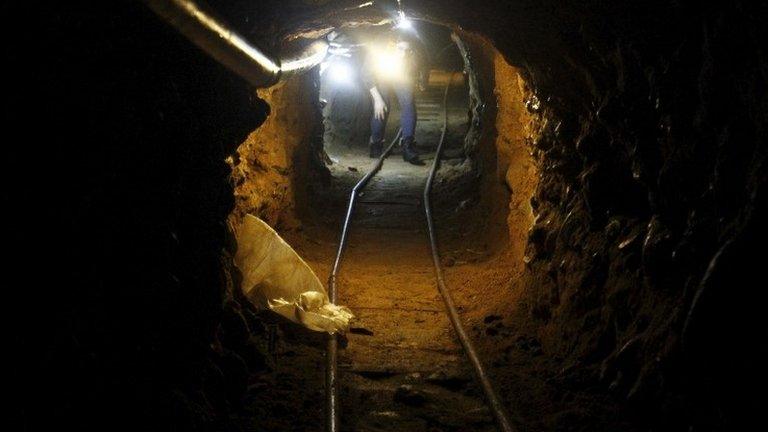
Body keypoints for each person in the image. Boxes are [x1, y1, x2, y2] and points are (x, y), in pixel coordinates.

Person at [362, 30, 429, 165]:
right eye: (400, 49)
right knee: (382, 106)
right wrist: (377, 99)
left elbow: (425, 66)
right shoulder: (379, 49)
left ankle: (408, 146)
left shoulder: (416, 52)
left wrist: (423, 81)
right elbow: (366, 74)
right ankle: (376, 143)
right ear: (392, 45)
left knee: (408, 102)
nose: (403, 54)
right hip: (382, 74)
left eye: (407, 50)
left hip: (403, 74)